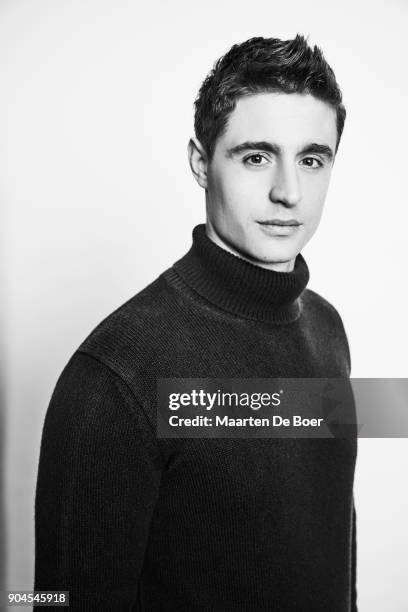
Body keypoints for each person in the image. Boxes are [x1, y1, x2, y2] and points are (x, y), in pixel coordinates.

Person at [34, 34, 357, 611]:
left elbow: (332, 544)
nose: (288, 192)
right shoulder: (117, 376)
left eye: (311, 159)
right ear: (201, 163)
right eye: (256, 156)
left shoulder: (330, 332)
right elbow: (62, 600)